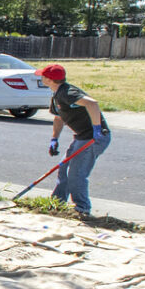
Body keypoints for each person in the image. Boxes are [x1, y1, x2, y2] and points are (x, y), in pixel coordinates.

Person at [41, 63, 112, 220]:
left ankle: (82, 209)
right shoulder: (57, 94)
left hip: (93, 138)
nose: (40, 78)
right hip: (81, 136)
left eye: (43, 76)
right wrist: (54, 139)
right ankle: (57, 204)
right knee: (63, 168)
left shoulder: (67, 92)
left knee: (76, 174)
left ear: (49, 79)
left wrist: (97, 129)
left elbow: (92, 103)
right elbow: (58, 118)